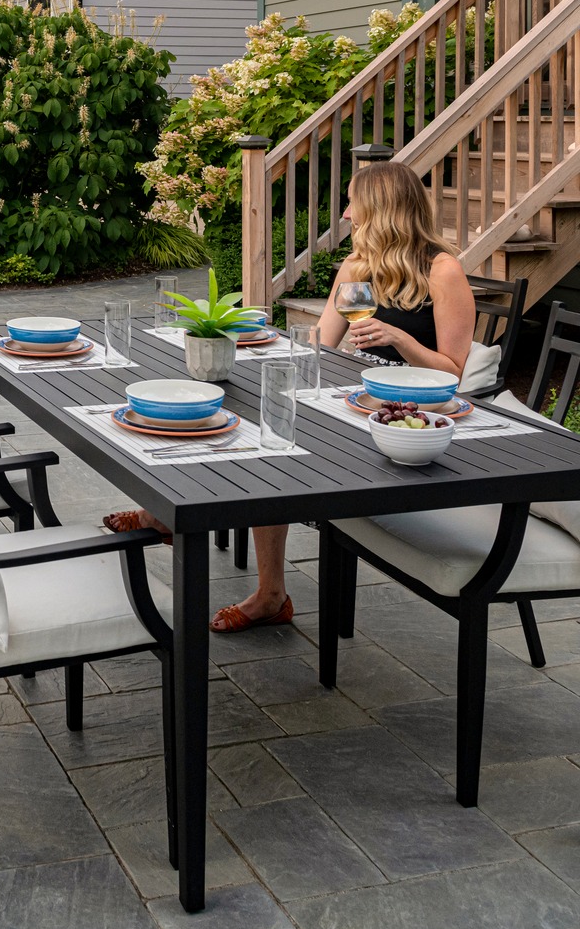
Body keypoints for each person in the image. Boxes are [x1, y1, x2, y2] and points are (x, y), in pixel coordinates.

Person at [104, 161, 477, 632]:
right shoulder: (359, 267)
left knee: (274, 453)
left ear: (383, 210)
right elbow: (321, 342)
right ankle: (239, 569)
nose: (346, 214)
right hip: (360, 404)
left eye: (353, 203)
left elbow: (455, 374)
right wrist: (262, 343)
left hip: (413, 425)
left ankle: (261, 590)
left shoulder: (442, 271)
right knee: (260, 422)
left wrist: (401, 341)